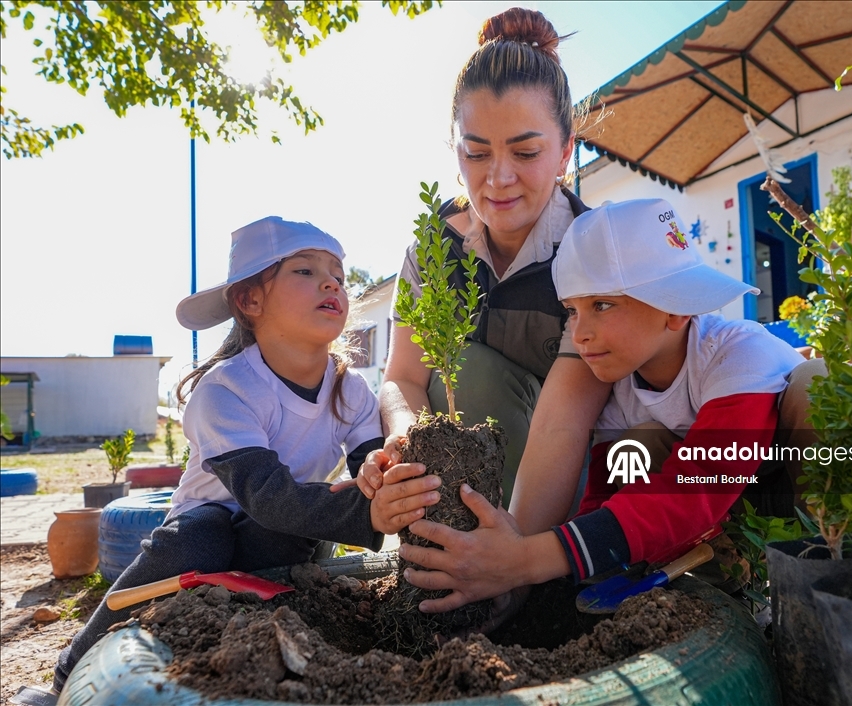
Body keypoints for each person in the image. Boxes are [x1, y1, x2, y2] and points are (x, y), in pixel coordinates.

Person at [52, 217, 439, 692]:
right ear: (250, 300)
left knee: (283, 536)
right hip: (212, 526)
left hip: (285, 530)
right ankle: (72, 665)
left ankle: (275, 640)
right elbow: (267, 495)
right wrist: (369, 516)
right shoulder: (226, 389)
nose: (331, 282)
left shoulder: (351, 389)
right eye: (304, 271)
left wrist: (382, 475)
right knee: (204, 536)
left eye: (338, 274)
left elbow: (365, 471)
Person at [395, 198, 806, 611]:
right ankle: (728, 589)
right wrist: (543, 581)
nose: (580, 332)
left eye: (602, 305)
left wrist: (526, 560)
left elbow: (701, 482)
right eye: (572, 310)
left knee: (814, 387)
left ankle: (827, 579)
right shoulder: (620, 390)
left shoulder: (737, 356)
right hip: (732, 528)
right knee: (639, 445)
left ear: (675, 308)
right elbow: (603, 498)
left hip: (791, 504)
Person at [371, 7, 612, 509]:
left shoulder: (592, 251)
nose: (498, 179)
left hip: (584, 471)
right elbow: (404, 378)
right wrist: (404, 438)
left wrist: (516, 558)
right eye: (476, 154)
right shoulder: (434, 249)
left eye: (525, 153)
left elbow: (564, 423)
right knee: (458, 368)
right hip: (467, 482)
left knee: (470, 371)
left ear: (566, 150)